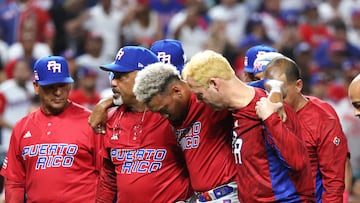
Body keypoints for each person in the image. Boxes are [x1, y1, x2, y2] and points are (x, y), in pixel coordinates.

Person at [182, 50, 315, 202]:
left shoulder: (270, 107)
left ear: (214, 84)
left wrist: (270, 118)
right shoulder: (235, 111)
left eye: (200, 95)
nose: (199, 102)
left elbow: (298, 161)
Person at [94, 46, 194, 202]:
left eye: (121, 76)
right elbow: (108, 181)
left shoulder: (173, 115)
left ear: (144, 78)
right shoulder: (112, 119)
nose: (113, 82)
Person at [133, 62, 239, 202]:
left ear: (177, 91)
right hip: (201, 198)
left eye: (164, 109)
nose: (163, 116)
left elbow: (246, 92)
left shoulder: (206, 98)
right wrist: (107, 103)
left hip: (228, 194)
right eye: (158, 112)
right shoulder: (176, 114)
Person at [0, 56, 101, 202]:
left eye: (62, 85)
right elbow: (15, 182)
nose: (58, 92)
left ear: (70, 85)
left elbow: (107, 177)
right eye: (50, 86)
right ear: (36, 87)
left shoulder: (91, 122)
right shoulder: (22, 127)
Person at [262, 56, 349, 202]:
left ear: (298, 85)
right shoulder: (262, 112)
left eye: (280, 90)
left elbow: (333, 182)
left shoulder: (323, 118)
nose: (274, 97)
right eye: (269, 90)